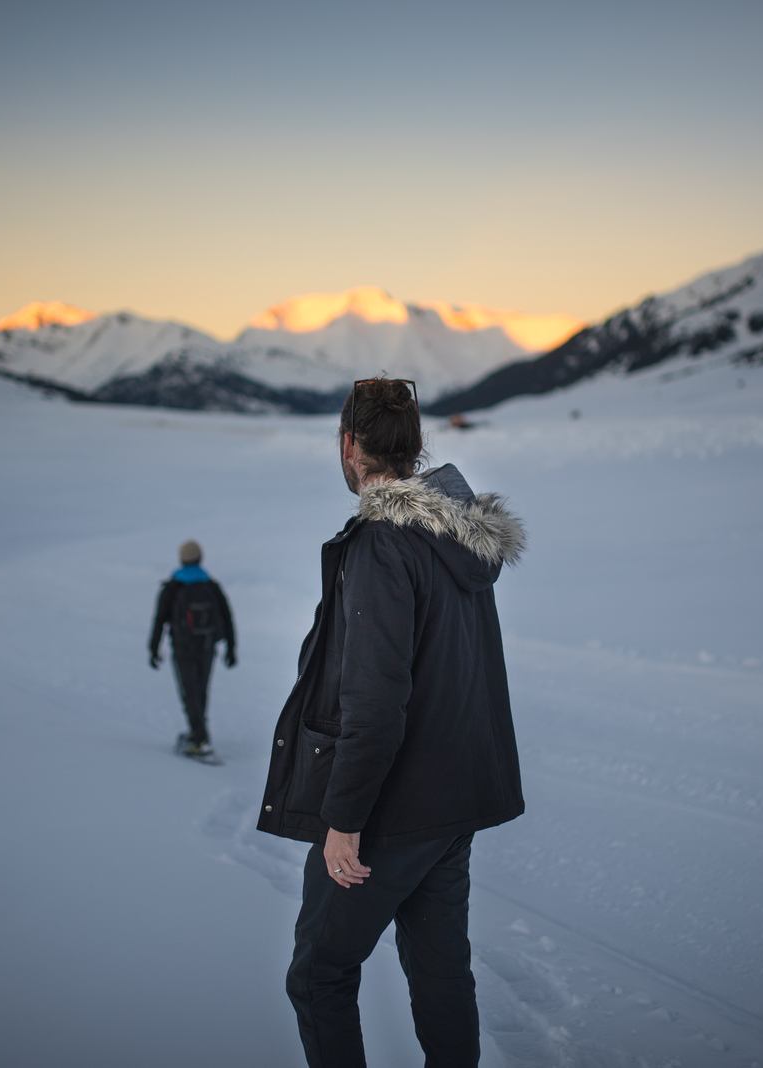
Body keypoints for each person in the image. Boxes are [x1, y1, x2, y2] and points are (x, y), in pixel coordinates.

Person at [257, 377, 526, 1067]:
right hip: (453, 804)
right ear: (413, 449)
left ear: (350, 448)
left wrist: (343, 820)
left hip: (390, 811)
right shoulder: (454, 541)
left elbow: (375, 700)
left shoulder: (383, 545)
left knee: (318, 975)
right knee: (440, 972)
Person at [149, 539, 236, 757]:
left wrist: (154, 648)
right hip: (207, 647)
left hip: (182, 647)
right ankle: (198, 732)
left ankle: (200, 740)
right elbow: (227, 617)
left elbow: (160, 619)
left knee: (189, 692)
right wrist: (231, 648)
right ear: (200, 558)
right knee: (200, 690)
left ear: (181, 559)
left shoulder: (173, 587)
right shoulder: (211, 585)